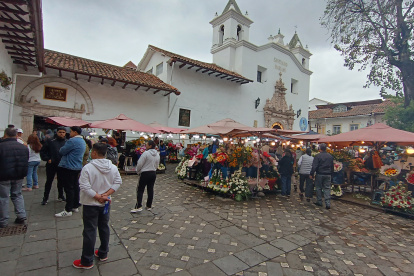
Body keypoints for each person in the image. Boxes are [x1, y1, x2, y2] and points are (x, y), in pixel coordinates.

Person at [73, 143, 122, 269]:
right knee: (104, 227)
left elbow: (84, 186)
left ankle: (87, 260)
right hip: (106, 202)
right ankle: (103, 252)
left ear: (94, 152)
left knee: (90, 230)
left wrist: (98, 196)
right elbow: (118, 182)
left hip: (91, 203)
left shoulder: (88, 168)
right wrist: (106, 195)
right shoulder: (112, 167)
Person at [0, 128, 29, 228]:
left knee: (3, 197)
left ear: (5, 135)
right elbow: (26, 161)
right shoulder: (24, 147)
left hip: (4, 175)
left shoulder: (1, 146)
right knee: (17, 195)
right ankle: (21, 216)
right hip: (18, 175)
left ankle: (3, 220)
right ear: (16, 135)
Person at [55, 126, 86, 217]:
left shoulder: (72, 141)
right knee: (75, 186)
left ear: (75, 132)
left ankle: (68, 209)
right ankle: (75, 205)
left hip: (68, 166)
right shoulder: (82, 141)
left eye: (71, 131)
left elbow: (62, 151)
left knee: (69, 188)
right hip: (77, 166)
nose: (70, 133)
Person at [131, 140, 160, 213]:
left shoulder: (146, 153)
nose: (145, 146)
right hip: (153, 172)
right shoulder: (157, 154)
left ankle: (139, 206)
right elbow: (157, 164)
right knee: (150, 189)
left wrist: (138, 171)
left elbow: (140, 163)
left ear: (150, 146)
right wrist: (154, 169)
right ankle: (149, 205)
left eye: (147, 144)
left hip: (145, 173)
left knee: (140, 189)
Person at [40, 126, 67, 205]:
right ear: (57, 132)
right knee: (49, 181)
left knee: (61, 181)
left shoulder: (67, 141)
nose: (61, 134)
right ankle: (45, 197)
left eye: (63, 132)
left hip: (62, 164)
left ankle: (61, 195)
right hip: (51, 164)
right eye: (60, 132)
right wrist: (47, 158)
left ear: (65, 133)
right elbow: (43, 151)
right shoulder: (50, 141)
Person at [310, 143, 334, 210]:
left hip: (320, 174)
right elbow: (332, 166)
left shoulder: (318, 156)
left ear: (319, 149)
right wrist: (332, 174)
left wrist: (311, 174)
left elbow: (314, 166)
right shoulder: (330, 156)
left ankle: (319, 201)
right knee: (327, 188)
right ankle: (327, 203)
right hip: (328, 174)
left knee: (318, 188)